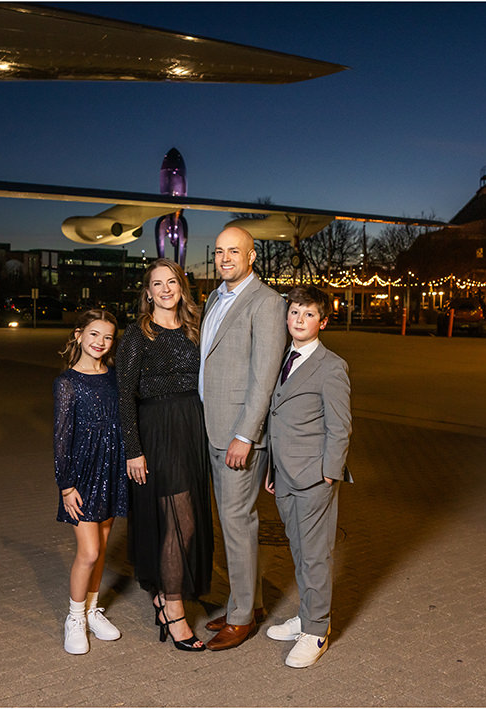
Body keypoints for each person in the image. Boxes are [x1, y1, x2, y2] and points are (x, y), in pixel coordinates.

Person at [116, 259, 212, 652]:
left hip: (192, 428)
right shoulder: (139, 334)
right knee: (181, 520)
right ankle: (173, 609)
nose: (166, 289)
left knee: (186, 518)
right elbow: (124, 395)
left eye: (172, 281)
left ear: (180, 287)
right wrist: (133, 451)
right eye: (158, 284)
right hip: (158, 431)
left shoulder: (194, 328)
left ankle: (163, 594)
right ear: (148, 292)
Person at [198, 226, 287, 651]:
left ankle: (241, 619)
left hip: (238, 436)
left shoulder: (267, 303)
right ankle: (249, 604)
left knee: (237, 523)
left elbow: (265, 377)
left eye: (234, 251)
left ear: (252, 256)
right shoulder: (215, 297)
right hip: (212, 427)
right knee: (233, 523)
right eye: (219, 251)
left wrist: (245, 436)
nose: (225, 257)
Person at [263, 285, 352, 668]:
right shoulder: (285, 356)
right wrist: (270, 468)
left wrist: (329, 474)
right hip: (283, 474)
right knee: (299, 550)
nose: (299, 320)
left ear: (323, 322)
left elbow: (341, 426)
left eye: (309, 314)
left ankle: (316, 631)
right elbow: (276, 416)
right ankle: (306, 613)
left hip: (314, 477)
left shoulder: (331, 366)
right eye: (295, 312)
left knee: (315, 555)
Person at [53, 309, 128, 655]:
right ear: (80, 335)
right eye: (94, 334)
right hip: (82, 475)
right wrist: (66, 485)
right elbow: (61, 437)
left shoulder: (114, 376)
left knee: (103, 544)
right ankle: (75, 617)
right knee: (90, 551)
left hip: (111, 469)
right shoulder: (67, 381)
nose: (100, 342)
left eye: (108, 337)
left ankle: (94, 609)